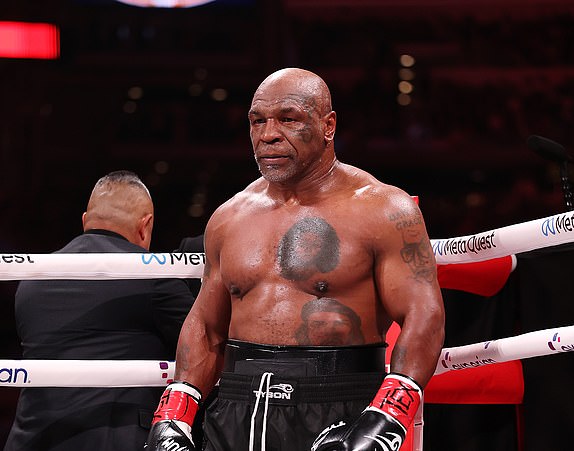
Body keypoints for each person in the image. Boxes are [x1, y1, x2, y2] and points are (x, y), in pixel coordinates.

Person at [146, 68, 445, 451]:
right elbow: (206, 324)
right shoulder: (229, 217)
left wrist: (387, 417)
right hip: (237, 406)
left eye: (288, 119)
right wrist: (176, 411)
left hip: (339, 403)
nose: (268, 134)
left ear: (328, 125)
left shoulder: (383, 209)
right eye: (257, 121)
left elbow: (425, 315)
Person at [4, 170, 196, 451]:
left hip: (34, 438)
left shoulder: (33, 277)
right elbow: (202, 343)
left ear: (85, 220)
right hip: (115, 438)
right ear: (146, 225)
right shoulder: (151, 274)